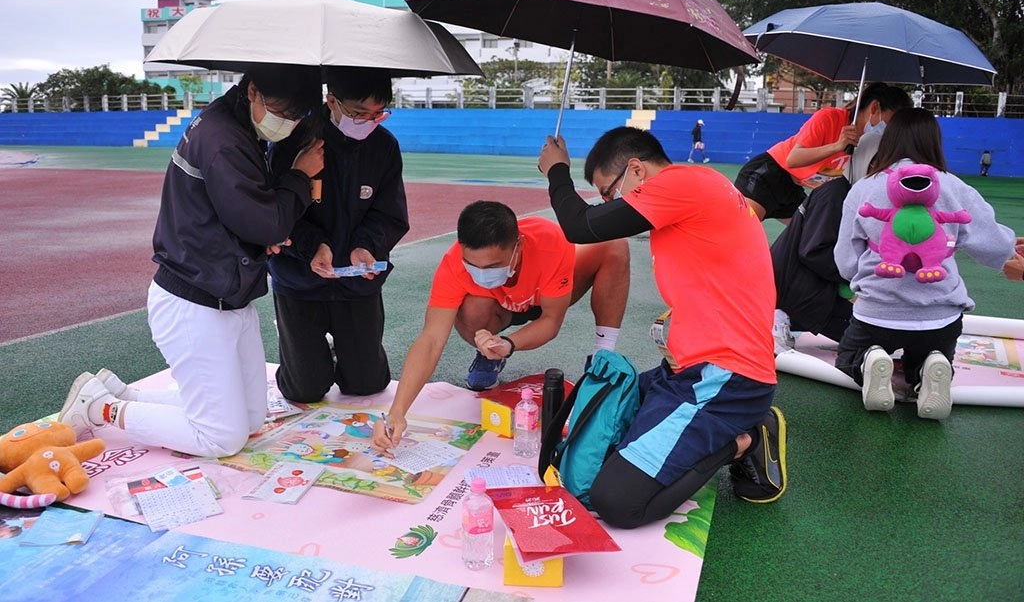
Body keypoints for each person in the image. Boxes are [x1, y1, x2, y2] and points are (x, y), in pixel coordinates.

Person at [527, 126, 787, 529]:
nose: (609, 204)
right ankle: (723, 427)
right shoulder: (692, 192)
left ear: (636, 170)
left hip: (727, 376)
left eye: (609, 192)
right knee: (600, 438)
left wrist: (556, 171)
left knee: (616, 501)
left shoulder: (681, 184)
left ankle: (745, 439)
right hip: (689, 368)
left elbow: (580, 226)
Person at [58, 64, 324, 457]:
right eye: (281, 112)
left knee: (250, 420)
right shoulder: (225, 141)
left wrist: (257, 235)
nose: (286, 123)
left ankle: (123, 393)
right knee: (222, 437)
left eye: (295, 116)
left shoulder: (233, 124)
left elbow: (232, 213)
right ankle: (100, 408)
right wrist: (300, 177)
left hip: (227, 293)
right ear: (252, 91)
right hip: (193, 301)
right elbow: (265, 222)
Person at [370, 200, 629, 446]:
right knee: (472, 307)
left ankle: (602, 355)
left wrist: (510, 343)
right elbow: (431, 339)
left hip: (546, 295)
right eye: (472, 265)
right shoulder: (453, 265)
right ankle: (488, 354)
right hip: (494, 308)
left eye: (492, 265)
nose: (481, 273)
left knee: (614, 245)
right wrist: (397, 411)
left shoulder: (549, 242)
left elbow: (551, 321)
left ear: (519, 246)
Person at [834, 108, 1016, 420]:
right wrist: (1009, 246)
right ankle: (928, 367)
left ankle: (868, 360)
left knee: (848, 356)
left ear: (888, 141)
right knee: (933, 355)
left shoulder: (865, 188)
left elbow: (846, 258)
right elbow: (993, 244)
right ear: (934, 141)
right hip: (939, 315)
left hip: (878, 311)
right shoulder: (954, 187)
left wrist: (857, 280)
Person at [268, 68, 409, 403]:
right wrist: (312, 246)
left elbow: (390, 214)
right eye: (359, 113)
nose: (369, 121)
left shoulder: (384, 146)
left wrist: (365, 247)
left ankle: (338, 348)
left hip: (356, 281)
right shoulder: (293, 142)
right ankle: (302, 351)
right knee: (304, 389)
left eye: (378, 114)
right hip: (300, 279)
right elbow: (277, 213)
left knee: (367, 383)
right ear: (332, 100)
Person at [768, 89, 913, 351]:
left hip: (812, 287)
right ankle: (778, 315)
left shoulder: (853, 196)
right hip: (798, 291)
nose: (882, 174)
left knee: (886, 333)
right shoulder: (835, 193)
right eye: (876, 165)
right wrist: (861, 278)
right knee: (878, 340)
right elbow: (814, 252)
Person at [735, 82, 912, 224]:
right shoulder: (829, 118)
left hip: (793, 189)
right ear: (874, 108)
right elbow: (793, 159)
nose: (889, 130)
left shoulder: (869, 143)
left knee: (806, 234)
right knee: (744, 231)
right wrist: (837, 146)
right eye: (890, 122)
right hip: (767, 175)